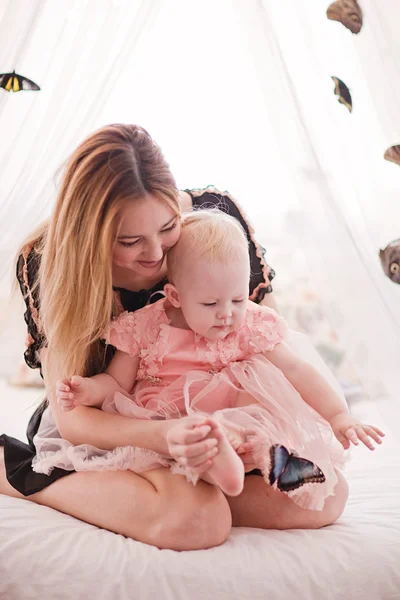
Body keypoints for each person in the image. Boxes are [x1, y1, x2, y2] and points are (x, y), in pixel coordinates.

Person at [0, 124, 347, 551]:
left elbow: (268, 346)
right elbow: (76, 417)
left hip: (222, 419)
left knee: (323, 498)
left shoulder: (216, 222)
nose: (156, 254)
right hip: (120, 424)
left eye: (168, 228)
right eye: (129, 241)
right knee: (198, 521)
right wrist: (169, 437)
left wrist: (257, 429)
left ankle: (195, 487)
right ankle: (19, 473)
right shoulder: (47, 260)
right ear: (91, 236)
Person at [49, 209, 384, 511]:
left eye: (237, 298)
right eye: (210, 304)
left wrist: (338, 416)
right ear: (176, 296)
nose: (227, 315)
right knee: (197, 437)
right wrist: (88, 390)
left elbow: (297, 369)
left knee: (258, 387)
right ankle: (220, 462)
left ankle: (263, 455)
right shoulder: (147, 326)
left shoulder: (250, 322)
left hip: (241, 421)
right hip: (176, 422)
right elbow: (117, 382)